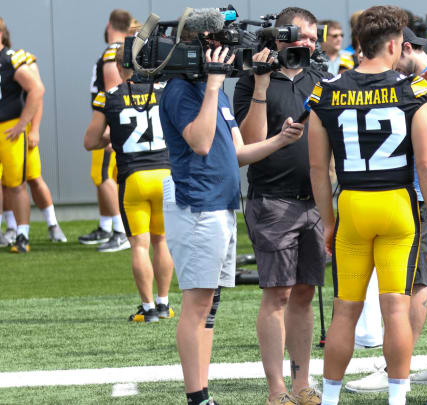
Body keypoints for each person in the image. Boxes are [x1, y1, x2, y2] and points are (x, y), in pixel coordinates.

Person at [307, 7, 427, 405]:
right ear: (391, 44)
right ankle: (396, 398)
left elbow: (318, 168)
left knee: (344, 312)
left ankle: (330, 398)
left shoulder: (327, 90)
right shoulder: (412, 91)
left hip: (352, 203)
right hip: (397, 206)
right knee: (396, 311)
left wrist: (328, 221)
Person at [160, 32, 305, 403]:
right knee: (197, 303)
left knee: (210, 306)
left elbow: (237, 152)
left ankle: (202, 393)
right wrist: (212, 83)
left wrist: (281, 140)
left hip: (220, 206)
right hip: (197, 206)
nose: (226, 57)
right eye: (215, 50)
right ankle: (197, 397)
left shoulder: (217, 93)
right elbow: (201, 142)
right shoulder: (181, 89)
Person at [233, 7, 332, 405]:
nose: (307, 43)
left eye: (312, 37)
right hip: (271, 201)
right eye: (300, 36)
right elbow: (249, 144)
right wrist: (259, 82)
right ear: (279, 37)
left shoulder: (322, 78)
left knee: (305, 293)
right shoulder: (250, 79)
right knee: (277, 294)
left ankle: (302, 383)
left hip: (313, 201)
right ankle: (277, 390)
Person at [344, 26, 427, 394]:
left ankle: (394, 370)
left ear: (401, 47)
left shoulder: (422, 86)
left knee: (411, 288)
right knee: (420, 286)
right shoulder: (406, 86)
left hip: (412, 198)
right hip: (408, 198)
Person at [83, 41, 174, 323]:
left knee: (139, 245)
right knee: (162, 242)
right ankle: (164, 303)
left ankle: (147, 309)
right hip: (165, 175)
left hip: (133, 177)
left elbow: (90, 142)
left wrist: (115, 136)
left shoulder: (108, 96)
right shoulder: (167, 90)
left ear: (122, 67)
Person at [79, 9, 132, 253]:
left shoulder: (113, 50)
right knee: (104, 175)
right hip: (118, 119)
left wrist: (111, 127)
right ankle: (107, 225)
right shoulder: (122, 48)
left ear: (110, 24)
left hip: (110, 121)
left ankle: (121, 231)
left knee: (101, 176)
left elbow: (114, 90)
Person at [1, 50, 67, 245]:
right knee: (4, 182)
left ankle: (52, 224)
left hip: (19, 127)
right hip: (8, 129)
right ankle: (11, 226)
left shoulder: (18, 59)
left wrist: (33, 129)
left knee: (32, 178)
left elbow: (37, 96)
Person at [0, 17, 44, 253]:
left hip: (8, 128)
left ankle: (22, 235)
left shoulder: (10, 59)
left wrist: (24, 124)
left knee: (17, 185)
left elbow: (37, 89)